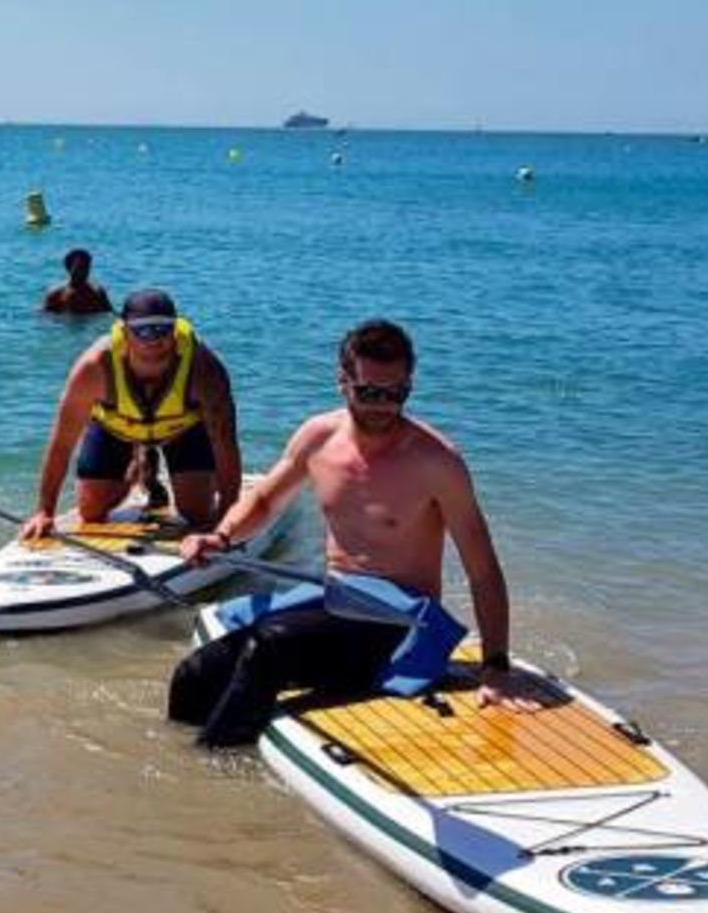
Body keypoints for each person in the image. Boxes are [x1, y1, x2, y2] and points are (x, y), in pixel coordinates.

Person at [169, 318, 538, 745]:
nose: (383, 405)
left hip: (396, 626)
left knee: (269, 647)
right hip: (333, 604)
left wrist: (496, 665)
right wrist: (221, 536)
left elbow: (483, 571)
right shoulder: (318, 437)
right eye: (369, 393)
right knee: (192, 678)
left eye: (395, 393)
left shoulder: (437, 462)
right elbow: (267, 501)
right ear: (342, 382)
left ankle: (215, 767)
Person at [18, 288, 242, 539]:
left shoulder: (205, 369)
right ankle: (137, 463)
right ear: (125, 332)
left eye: (162, 329)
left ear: (176, 330)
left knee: (197, 513)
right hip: (116, 429)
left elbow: (225, 444)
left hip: (183, 430)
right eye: (142, 330)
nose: (153, 339)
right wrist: (44, 511)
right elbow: (62, 444)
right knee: (91, 511)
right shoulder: (94, 367)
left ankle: (161, 468)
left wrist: (227, 515)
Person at [40, 249, 113, 316]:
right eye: (80, 268)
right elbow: (45, 317)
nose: (84, 271)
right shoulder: (56, 293)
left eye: (87, 267)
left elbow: (110, 315)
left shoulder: (97, 292)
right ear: (68, 267)